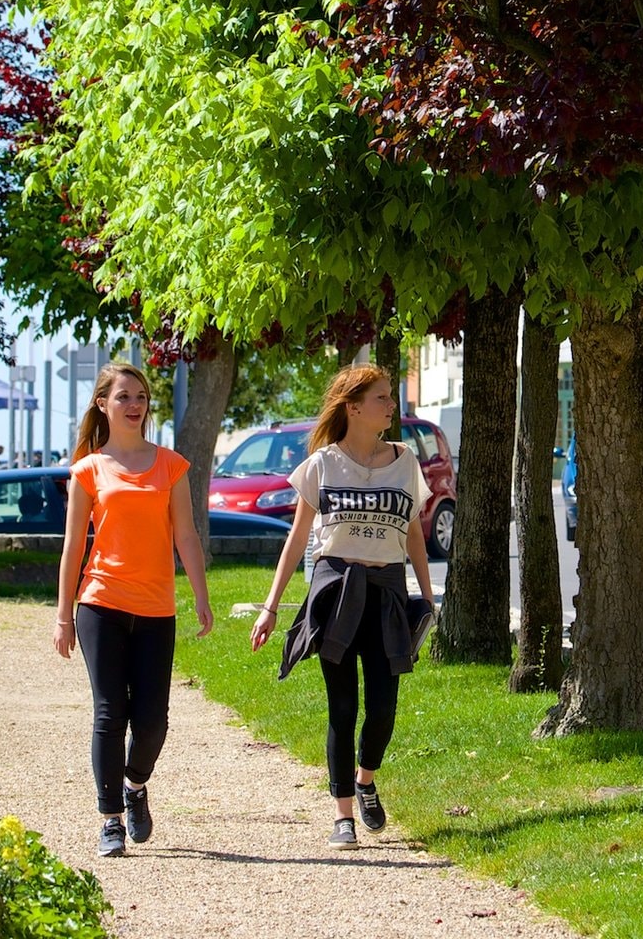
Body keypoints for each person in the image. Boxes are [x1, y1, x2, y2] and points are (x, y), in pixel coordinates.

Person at [252, 364, 437, 850]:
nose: (390, 406)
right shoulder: (321, 464)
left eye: (389, 398)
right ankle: (342, 816)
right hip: (335, 590)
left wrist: (428, 596)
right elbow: (296, 542)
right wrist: (270, 607)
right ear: (353, 407)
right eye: (381, 398)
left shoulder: (405, 462)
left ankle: (365, 779)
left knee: (383, 705)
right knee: (343, 705)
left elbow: (415, 532)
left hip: (388, 592)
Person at [54, 362, 214, 859]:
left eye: (140, 396)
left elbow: (185, 534)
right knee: (109, 713)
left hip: (155, 607)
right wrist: (63, 617)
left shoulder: (171, 465)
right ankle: (110, 820)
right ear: (103, 404)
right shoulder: (87, 469)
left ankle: (135, 785)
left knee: (152, 722)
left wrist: (202, 596)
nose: (134, 404)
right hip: (100, 602)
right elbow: (73, 546)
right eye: (123, 396)